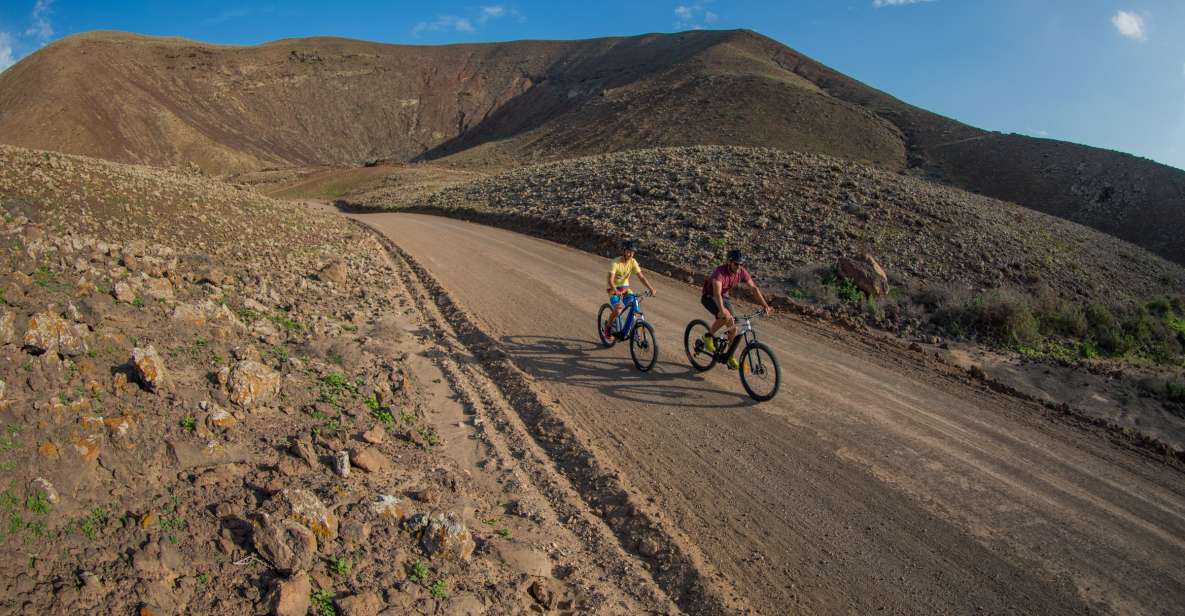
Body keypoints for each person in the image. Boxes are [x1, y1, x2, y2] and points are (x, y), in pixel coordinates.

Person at [701, 249, 773, 368]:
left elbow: (753, 288)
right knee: (725, 317)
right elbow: (717, 294)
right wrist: (722, 310)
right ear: (729, 262)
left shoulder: (741, 272)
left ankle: (729, 356)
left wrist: (765, 305)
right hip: (710, 297)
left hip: (724, 297)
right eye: (736, 263)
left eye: (741, 264)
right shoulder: (719, 273)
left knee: (733, 328)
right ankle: (708, 336)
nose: (739, 266)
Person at [605, 240, 657, 338]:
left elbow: (641, 277)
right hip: (613, 288)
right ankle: (608, 325)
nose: (630, 254)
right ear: (624, 251)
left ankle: (634, 331)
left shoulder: (633, 262)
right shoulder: (615, 262)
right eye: (629, 251)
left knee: (636, 309)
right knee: (618, 310)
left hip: (625, 288)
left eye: (632, 252)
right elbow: (610, 280)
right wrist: (615, 291)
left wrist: (651, 288)